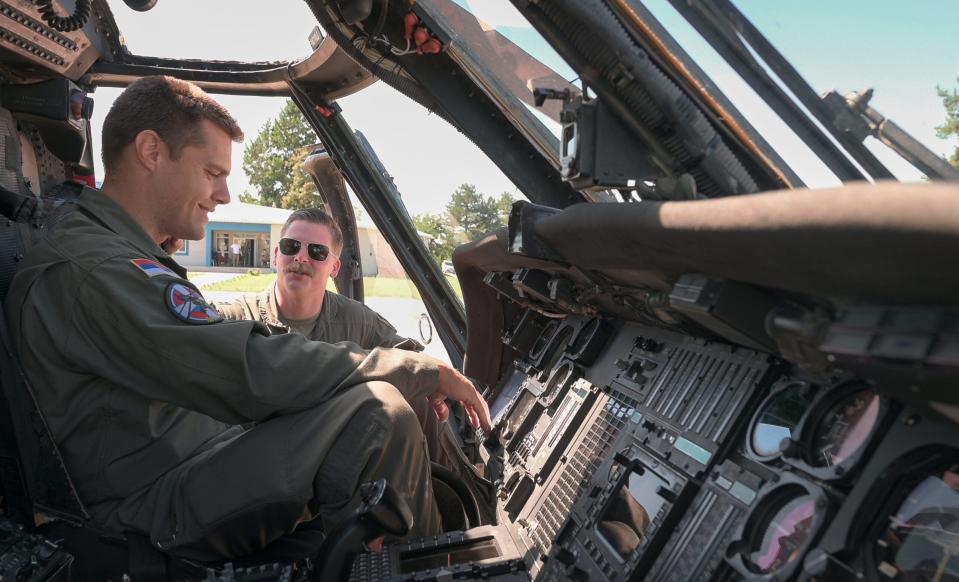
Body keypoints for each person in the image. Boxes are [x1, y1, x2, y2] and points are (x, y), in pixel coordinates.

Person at [3, 75, 491, 562]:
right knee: (377, 417)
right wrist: (421, 369)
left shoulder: (119, 256)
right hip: (144, 508)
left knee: (361, 405)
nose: (224, 195)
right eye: (212, 172)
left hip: (189, 460)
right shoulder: (98, 268)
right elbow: (245, 369)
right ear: (152, 152)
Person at [216, 208, 423, 351]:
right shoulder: (238, 318)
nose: (301, 257)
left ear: (334, 268)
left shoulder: (358, 323)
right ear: (276, 255)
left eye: (317, 251)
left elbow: (405, 355)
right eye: (291, 246)